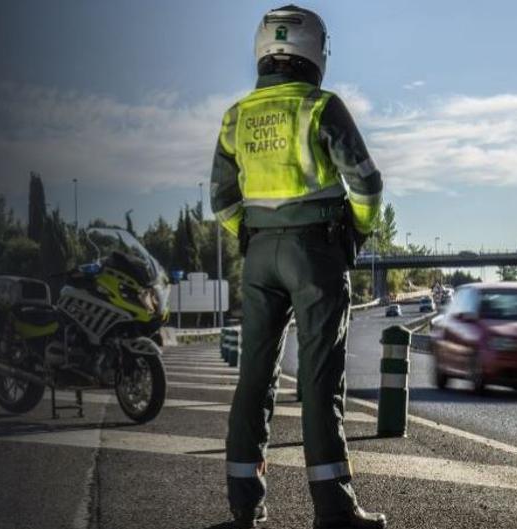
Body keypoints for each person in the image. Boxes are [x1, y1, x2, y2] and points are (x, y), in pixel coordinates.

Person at [209, 5, 386, 529]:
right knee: (319, 378)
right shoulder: (322, 106)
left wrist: (248, 232)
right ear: (315, 52)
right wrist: (356, 229)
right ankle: (333, 509)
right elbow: (368, 185)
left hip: (259, 253)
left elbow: (221, 199)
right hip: (316, 252)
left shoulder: (236, 116)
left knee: (254, 378)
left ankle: (244, 507)